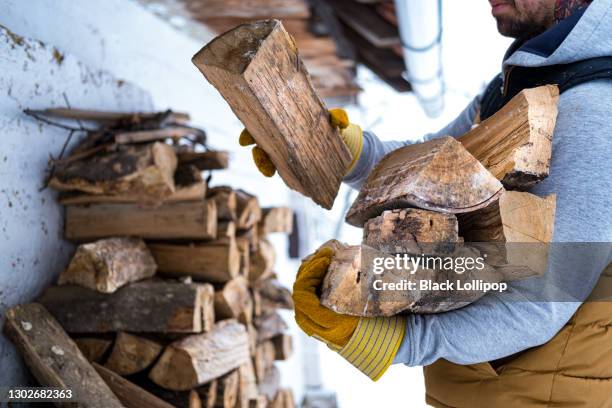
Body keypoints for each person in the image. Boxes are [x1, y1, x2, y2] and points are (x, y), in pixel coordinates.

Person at [240, 0, 612, 406]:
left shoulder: (596, 111)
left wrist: (398, 340)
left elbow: (540, 304)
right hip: (488, 391)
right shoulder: (522, 82)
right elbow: (430, 167)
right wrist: (336, 150)